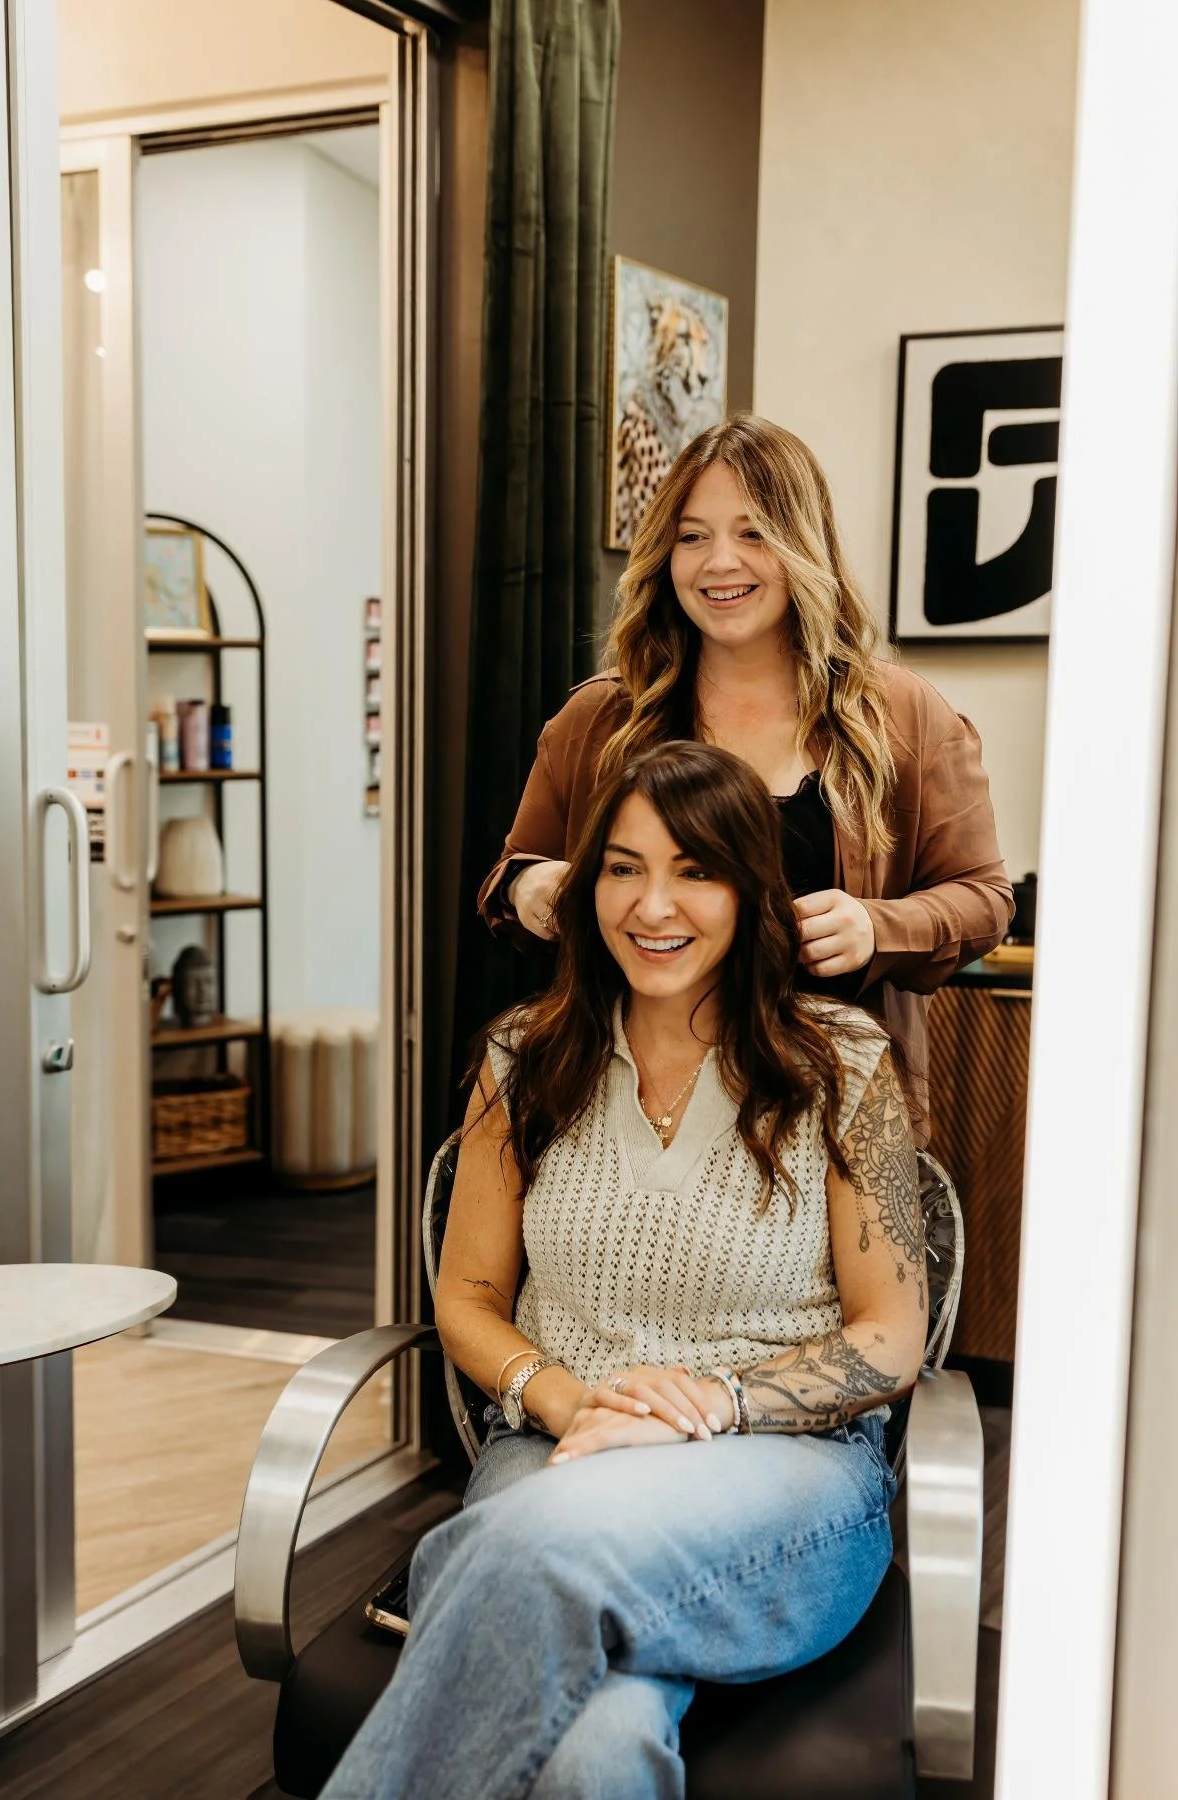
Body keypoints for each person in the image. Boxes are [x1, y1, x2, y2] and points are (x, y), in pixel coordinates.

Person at [323, 742, 928, 1800]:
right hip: (562, 1447)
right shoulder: (523, 1058)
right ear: (586, 882)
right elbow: (465, 1296)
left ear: (751, 890)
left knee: (519, 1557)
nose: (655, 904)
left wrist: (707, 1402)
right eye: (622, 866)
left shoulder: (843, 1065)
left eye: (696, 869)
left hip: (783, 1468)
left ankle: (462, 1576)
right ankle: (479, 1573)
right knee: (594, 1746)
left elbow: (890, 1337)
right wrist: (568, 1402)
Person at [478, 412, 1013, 1137]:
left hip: (828, 1116)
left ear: (803, 543)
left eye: (753, 532)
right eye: (692, 536)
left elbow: (983, 900)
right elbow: (511, 876)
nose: (718, 562)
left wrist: (876, 927)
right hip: (628, 1108)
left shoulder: (900, 716)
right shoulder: (601, 720)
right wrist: (530, 884)